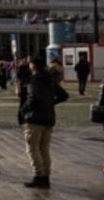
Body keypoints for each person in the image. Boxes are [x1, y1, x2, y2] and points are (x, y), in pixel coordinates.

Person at [19, 54, 69, 189]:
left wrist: (24, 109)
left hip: (35, 119)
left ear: (33, 66)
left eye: (30, 64)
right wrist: (51, 103)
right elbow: (64, 95)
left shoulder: (34, 80)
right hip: (48, 118)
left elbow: (33, 98)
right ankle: (46, 176)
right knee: (44, 148)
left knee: (32, 148)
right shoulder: (50, 79)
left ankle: (38, 175)